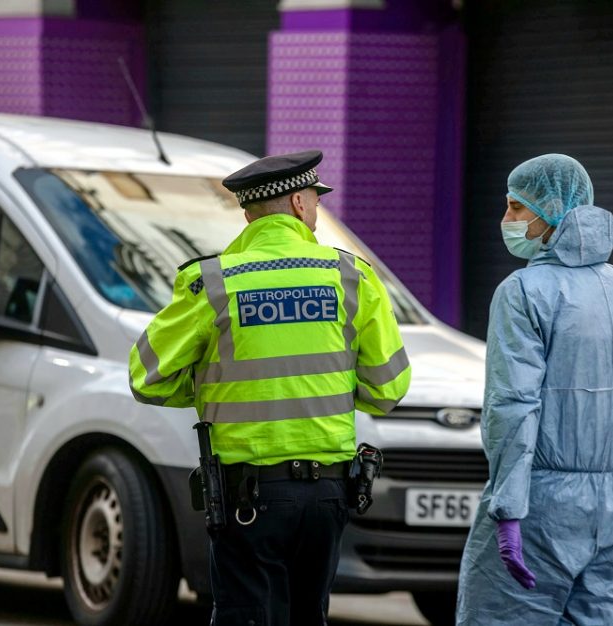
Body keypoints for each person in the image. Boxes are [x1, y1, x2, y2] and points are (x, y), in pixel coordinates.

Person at [128, 150, 411, 626]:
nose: (318, 213)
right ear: (299, 203)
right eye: (316, 202)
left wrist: (212, 385)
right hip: (328, 493)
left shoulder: (212, 282)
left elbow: (146, 377)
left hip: (249, 498)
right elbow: (387, 389)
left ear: (248, 212)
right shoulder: (351, 276)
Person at [456, 154, 613, 625]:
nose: (505, 220)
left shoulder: (524, 291)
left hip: (540, 499)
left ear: (551, 213)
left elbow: (513, 405)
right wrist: (608, 471)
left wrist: (508, 506)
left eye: (514, 207)